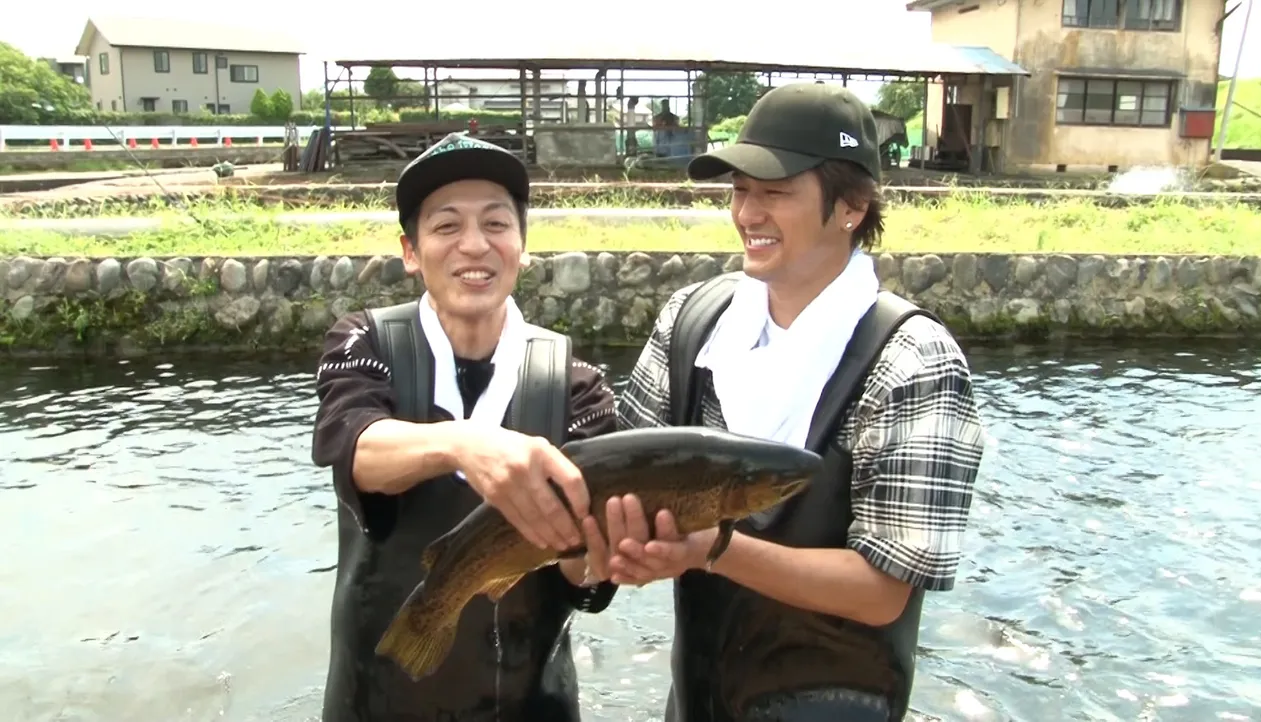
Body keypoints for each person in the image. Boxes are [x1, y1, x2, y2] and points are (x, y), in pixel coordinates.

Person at [609, 83, 986, 722]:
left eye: (775, 192)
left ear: (852, 206)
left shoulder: (912, 360)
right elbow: (618, 471)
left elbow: (884, 591)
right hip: (699, 699)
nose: (748, 213)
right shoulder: (692, 323)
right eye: (739, 190)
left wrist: (713, 549)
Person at [311, 132, 633, 722]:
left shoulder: (574, 383)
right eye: (446, 226)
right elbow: (352, 445)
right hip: (377, 701)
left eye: (496, 224)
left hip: (532, 703)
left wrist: (598, 551)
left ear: (522, 246)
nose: (474, 246)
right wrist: (463, 441)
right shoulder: (365, 341)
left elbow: (586, 583)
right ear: (410, 251)